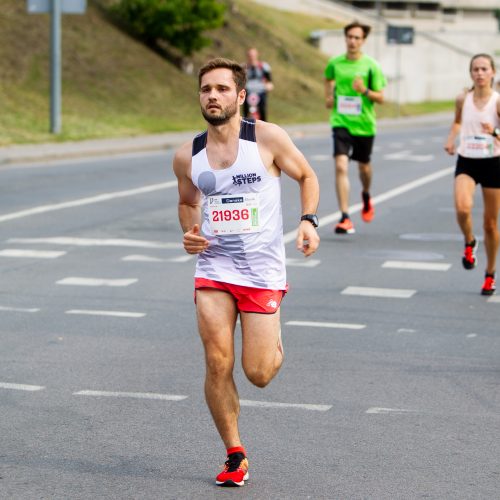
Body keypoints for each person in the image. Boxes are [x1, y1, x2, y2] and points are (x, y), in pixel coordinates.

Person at [172, 57, 320, 487]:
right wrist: (190, 232)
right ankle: (235, 454)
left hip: (261, 273)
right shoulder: (188, 155)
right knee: (218, 361)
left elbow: (307, 175)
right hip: (214, 268)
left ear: (240, 96)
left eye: (221, 89)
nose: (212, 96)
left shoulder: (267, 139)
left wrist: (308, 219)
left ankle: (272, 336)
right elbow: (186, 202)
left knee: (259, 373)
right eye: (205, 89)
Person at [444, 53, 500, 296]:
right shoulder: (462, 99)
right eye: (475, 69)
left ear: (492, 73)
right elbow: (458, 121)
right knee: (462, 208)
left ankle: (489, 273)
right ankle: (469, 242)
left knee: (490, 224)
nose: (479, 73)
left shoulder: (497, 102)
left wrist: (495, 131)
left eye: (484, 69)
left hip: (493, 163)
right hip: (467, 160)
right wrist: (450, 139)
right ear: (471, 73)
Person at [324, 21, 386, 234]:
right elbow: (328, 78)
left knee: (364, 168)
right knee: (341, 166)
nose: (352, 41)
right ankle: (345, 217)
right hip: (341, 122)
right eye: (350, 36)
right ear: (345, 38)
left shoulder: (371, 66)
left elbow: (381, 98)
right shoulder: (335, 63)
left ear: (363, 41)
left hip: (364, 125)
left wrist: (365, 91)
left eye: (357, 38)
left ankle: (366, 194)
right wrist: (329, 96)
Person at [243, 47, 273, 121]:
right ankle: (245, 126)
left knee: (262, 109)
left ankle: (264, 125)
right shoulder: (243, 67)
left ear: (257, 55)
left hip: (261, 91)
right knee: (245, 111)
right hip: (248, 92)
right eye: (250, 55)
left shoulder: (264, 66)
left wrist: (269, 85)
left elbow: (269, 80)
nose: (252, 57)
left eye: (253, 55)